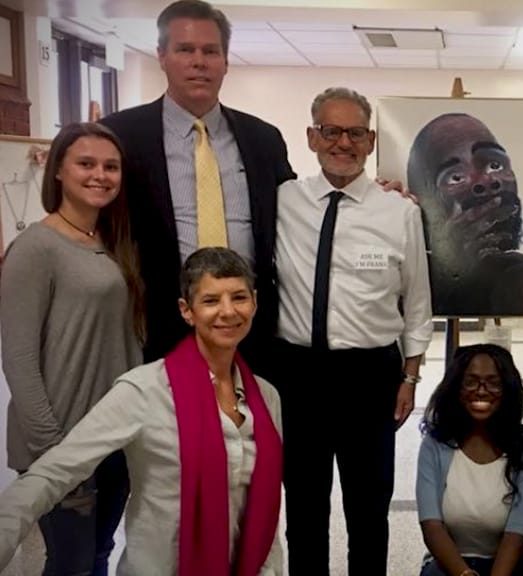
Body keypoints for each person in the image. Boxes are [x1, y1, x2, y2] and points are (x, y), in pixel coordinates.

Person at [0, 247, 285, 575]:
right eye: (210, 301)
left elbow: (263, 510)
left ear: (255, 302)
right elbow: (55, 471)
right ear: (186, 310)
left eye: (239, 297)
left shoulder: (266, 397)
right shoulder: (144, 390)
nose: (228, 311)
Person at [274, 86, 433, 575]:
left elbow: (418, 303)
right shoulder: (283, 201)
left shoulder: (400, 212)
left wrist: (409, 377)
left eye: (356, 132)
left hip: (371, 376)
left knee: (368, 510)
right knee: (303, 508)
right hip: (298, 375)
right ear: (311, 136)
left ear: (370, 141)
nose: (343, 142)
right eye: (331, 130)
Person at [100, 0, 295, 366]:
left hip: (250, 328)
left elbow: (299, 209)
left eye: (210, 51)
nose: (199, 62)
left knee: (251, 420)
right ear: (162, 55)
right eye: (185, 50)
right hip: (160, 326)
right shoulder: (121, 135)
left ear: (225, 60)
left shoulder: (263, 139)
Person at [0, 122, 144, 575]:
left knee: (98, 555)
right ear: (58, 170)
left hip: (113, 436)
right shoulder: (35, 247)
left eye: (111, 166)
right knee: (72, 565)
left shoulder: (112, 241)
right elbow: (19, 359)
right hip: (63, 440)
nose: (100, 175)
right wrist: (55, 452)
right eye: (86, 163)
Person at [416, 344, 523, 576]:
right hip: (451, 561)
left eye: (494, 382)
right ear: (455, 388)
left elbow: (517, 535)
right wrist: (464, 574)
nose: (481, 390)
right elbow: (431, 527)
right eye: (470, 381)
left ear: (508, 389)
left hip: (512, 561)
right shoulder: (434, 445)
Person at [406, 112, 523, 317]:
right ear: (423, 203)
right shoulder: (414, 284)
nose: (486, 181)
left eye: (495, 165)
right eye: (456, 177)